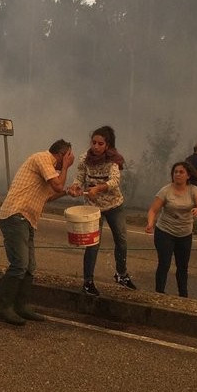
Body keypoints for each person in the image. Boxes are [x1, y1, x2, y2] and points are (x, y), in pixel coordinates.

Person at [0, 139, 75, 325]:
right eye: (69, 155)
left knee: (30, 266)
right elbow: (56, 185)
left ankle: (21, 306)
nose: (70, 159)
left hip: (28, 219)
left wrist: (68, 192)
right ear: (62, 155)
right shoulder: (41, 158)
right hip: (15, 215)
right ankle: (4, 308)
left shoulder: (49, 171)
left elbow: (50, 195)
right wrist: (65, 168)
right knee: (19, 264)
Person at [70, 125, 137, 296]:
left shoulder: (113, 160)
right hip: (93, 208)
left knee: (121, 240)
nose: (96, 147)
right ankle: (88, 281)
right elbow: (79, 176)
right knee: (92, 244)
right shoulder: (85, 158)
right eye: (94, 143)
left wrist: (98, 188)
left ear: (107, 145)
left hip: (114, 205)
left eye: (100, 144)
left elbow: (114, 181)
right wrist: (76, 187)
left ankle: (121, 274)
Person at [144, 162, 197, 297]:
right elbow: (153, 210)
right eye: (175, 172)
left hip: (185, 234)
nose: (177, 174)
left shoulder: (193, 190)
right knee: (164, 263)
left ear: (188, 176)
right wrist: (150, 223)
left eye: (181, 172)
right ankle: (159, 293)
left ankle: (183, 295)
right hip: (165, 231)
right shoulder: (166, 190)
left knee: (182, 266)